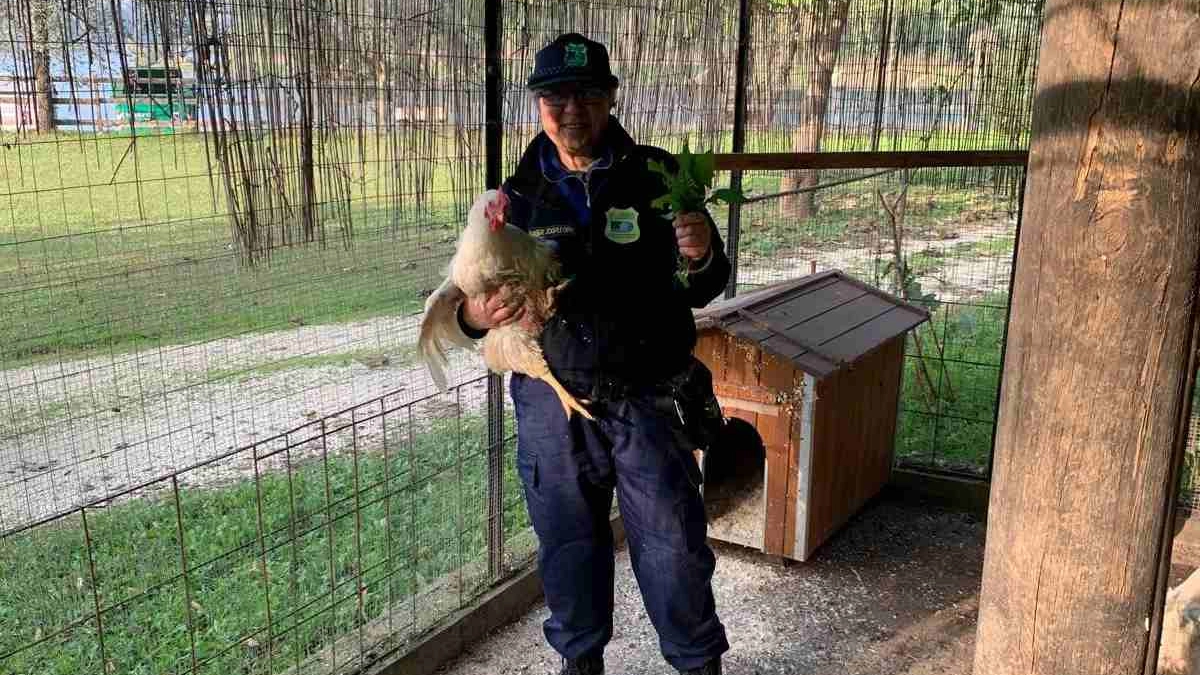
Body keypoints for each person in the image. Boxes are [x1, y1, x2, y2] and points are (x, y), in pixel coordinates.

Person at [455, 33, 729, 675]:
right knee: (569, 547)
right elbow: (466, 308)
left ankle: (696, 663)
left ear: (609, 99)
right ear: (539, 105)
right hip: (553, 403)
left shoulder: (657, 177)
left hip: (648, 396)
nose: (571, 108)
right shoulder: (511, 201)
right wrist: (475, 315)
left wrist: (702, 253)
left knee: (673, 548)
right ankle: (581, 664)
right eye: (555, 96)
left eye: (586, 94)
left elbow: (707, 286)